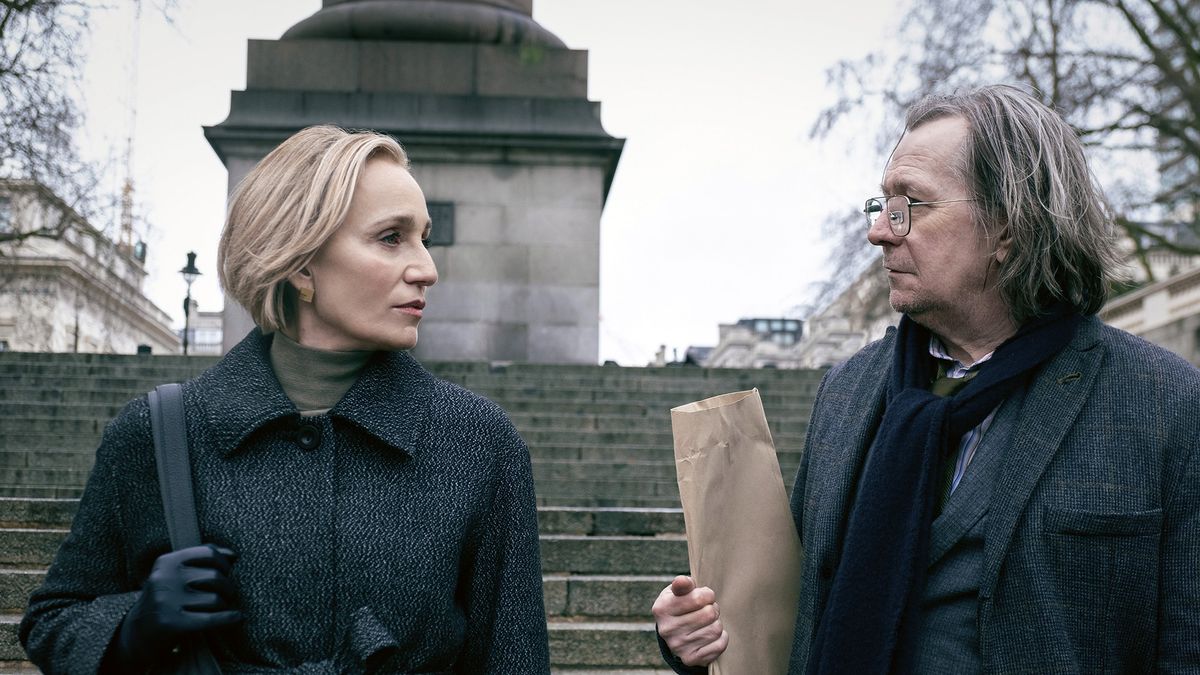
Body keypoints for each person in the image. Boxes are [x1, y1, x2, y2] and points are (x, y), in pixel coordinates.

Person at [653, 84, 1200, 673]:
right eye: (882, 203)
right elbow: (798, 613)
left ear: (1009, 228)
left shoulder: (1164, 402)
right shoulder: (848, 393)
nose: (880, 231)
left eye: (911, 204)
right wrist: (699, 635)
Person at [20, 125, 551, 673]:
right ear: (300, 262)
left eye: (424, 238)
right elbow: (54, 620)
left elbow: (515, 658)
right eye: (391, 237)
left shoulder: (478, 442)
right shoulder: (157, 435)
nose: (427, 269)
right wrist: (134, 629)